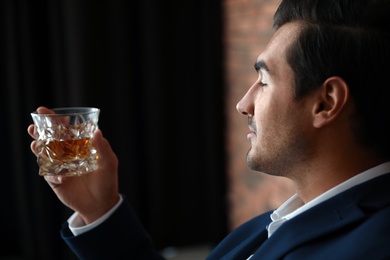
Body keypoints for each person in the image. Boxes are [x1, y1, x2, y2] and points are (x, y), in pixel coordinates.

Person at [28, 0, 390, 259]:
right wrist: (98, 210)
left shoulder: (373, 245)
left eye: (263, 82)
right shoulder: (268, 225)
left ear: (326, 102)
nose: (243, 104)